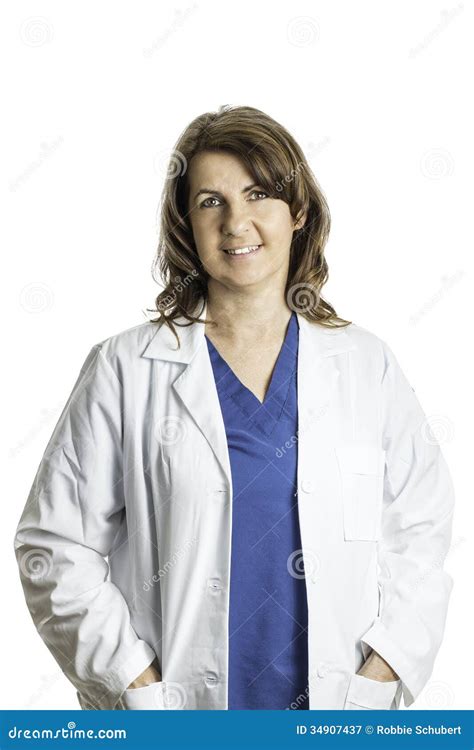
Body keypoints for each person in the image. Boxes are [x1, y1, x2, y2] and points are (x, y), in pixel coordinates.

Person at [14, 105, 455, 711]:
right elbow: (55, 545)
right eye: (210, 201)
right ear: (186, 225)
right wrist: (134, 683)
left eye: (258, 194)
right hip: (180, 713)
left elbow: (422, 532)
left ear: (298, 211)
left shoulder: (364, 365)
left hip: (337, 712)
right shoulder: (126, 367)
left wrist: (381, 675)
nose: (236, 223)